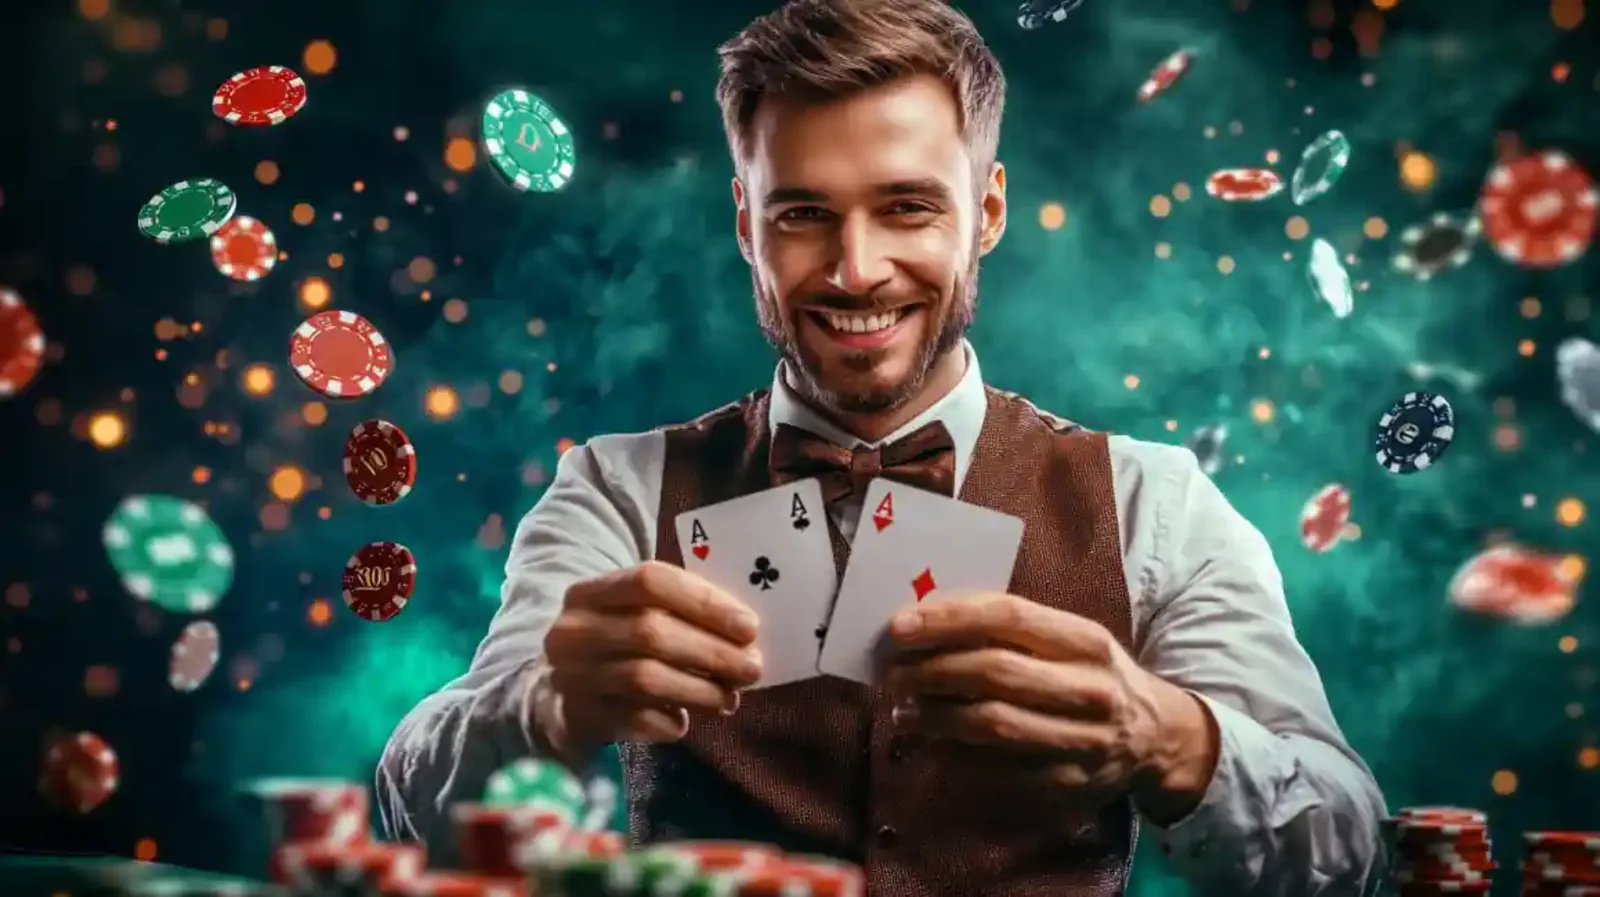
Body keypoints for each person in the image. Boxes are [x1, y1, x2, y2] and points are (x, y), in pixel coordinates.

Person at [377, 1, 1388, 893]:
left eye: (907, 207)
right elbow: (411, 811)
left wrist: (1169, 737)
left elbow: (1348, 847)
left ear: (985, 212)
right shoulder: (616, 489)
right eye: (803, 215)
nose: (856, 271)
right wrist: (538, 710)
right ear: (744, 225)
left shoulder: (1152, 505)